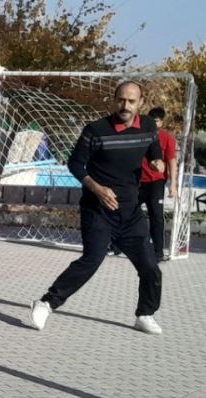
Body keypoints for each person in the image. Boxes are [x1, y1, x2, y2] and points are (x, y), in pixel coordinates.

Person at [28, 80, 167, 335]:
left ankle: (145, 314)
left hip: (131, 213)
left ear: (141, 103)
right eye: (121, 100)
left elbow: (152, 146)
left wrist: (156, 160)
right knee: (91, 261)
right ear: (114, 100)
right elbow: (75, 164)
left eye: (131, 101)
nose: (125, 106)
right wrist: (98, 189)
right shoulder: (96, 130)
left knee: (150, 267)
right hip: (98, 211)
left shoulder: (148, 125)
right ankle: (46, 303)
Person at [139, 105, 178, 259]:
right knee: (125, 211)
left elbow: (171, 161)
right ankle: (115, 245)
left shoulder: (167, 138)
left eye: (156, 121)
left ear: (161, 122)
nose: (153, 123)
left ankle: (158, 252)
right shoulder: (140, 134)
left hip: (156, 182)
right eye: (151, 120)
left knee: (156, 216)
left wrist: (173, 185)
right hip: (137, 182)